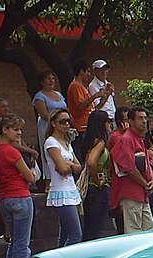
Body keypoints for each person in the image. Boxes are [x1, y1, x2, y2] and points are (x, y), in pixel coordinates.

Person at [0, 114, 38, 258]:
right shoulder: (12, 152)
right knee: (21, 245)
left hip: (4, 198)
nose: (19, 133)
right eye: (15, 129)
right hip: (20, 196)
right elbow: (30, 177)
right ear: (5, 130)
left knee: (13, 244)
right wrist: (32, 171)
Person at [109, 106, 153, 233]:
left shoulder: (140, 139)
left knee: (149, 229)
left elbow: (146, 164)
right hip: (130, 193)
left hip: (143, 194)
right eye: (140, 118)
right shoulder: (125, 140)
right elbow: (129, 169)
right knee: (134, 232)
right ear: (130, 121)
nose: (144, 121)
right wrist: (146, 184)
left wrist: (152, 181)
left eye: (145, 118)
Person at [43, 108, 83, 247]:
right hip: (61, 191)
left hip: (71, 189)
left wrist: (67, 163)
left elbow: (78, 167)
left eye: (68, 121)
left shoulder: (67, 143)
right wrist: (66, 165)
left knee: (65, 233)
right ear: (54, 123)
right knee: (76, 234)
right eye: (62, 121)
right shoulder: (51, 142)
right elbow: (62, 168)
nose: (66, 124)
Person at [67, 59, 109, 163]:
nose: (89, 75)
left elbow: (95, 107)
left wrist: (105, 96)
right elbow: (80, 106)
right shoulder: (75, 86)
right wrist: (95, 96)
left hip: (89, 125)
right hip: (81, 127)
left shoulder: (82, 87)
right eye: (88, 71)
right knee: (84, 155)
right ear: (81, 71)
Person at [81, 110, 112, 239]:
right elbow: (92, 162)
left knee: (90, 226)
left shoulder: (89, 141)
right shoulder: (100, 142)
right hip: (98, 188)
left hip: (89, 189)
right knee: (96, 227)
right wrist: (98, 179)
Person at [33, 70, 67, 180]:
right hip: (47, 126)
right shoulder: (40, 96)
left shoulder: (58, 94)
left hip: (61, 126)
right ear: (42, 82)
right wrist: (56, 121)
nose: (51, 81)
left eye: (53, 78)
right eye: (48, 79)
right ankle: (48, 177)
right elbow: (43, 114)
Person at [88, 60, 116, 124]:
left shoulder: (107, 83)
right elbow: (98, 107)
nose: (104, 72)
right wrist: (108, 93)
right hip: (104, 119)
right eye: (101, 70)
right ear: (95, 71)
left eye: (106, 69)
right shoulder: (92, 86)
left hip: (113, 117)